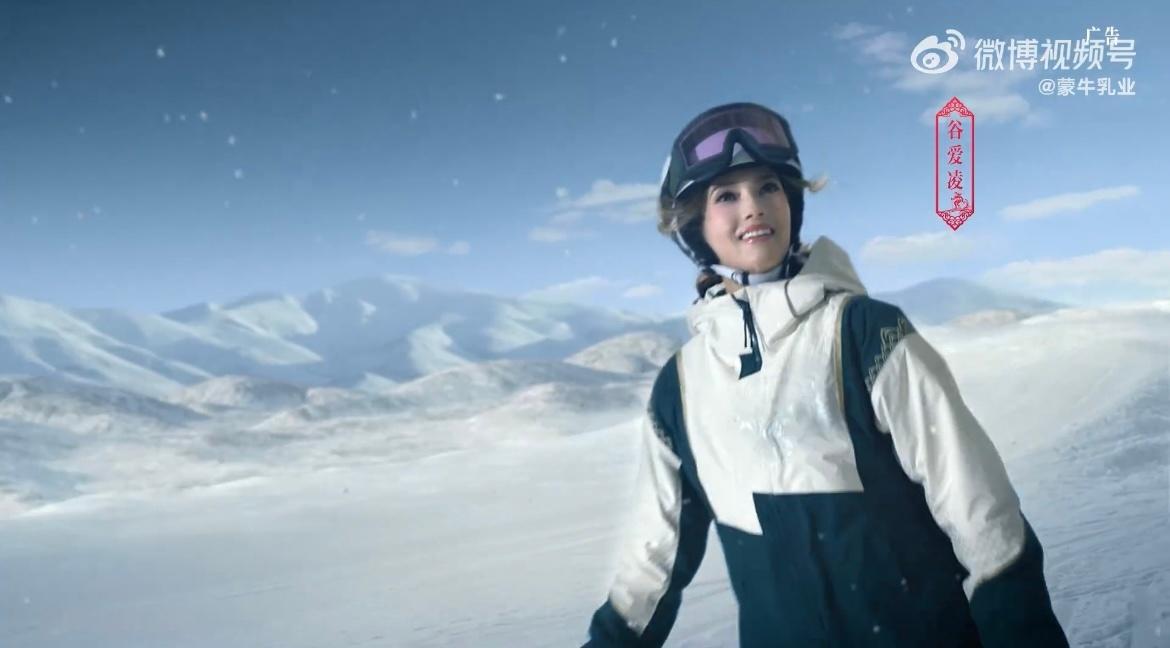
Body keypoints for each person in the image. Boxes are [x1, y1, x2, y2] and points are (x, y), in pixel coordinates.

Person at [582, 102, 1068, 647]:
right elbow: (651, 561)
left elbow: (980, 512)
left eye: (768, 186)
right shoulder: (681, 389)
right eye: (726, 196)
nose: (753, 206)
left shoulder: (865, 334)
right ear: (695, 225)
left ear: (791, 201)